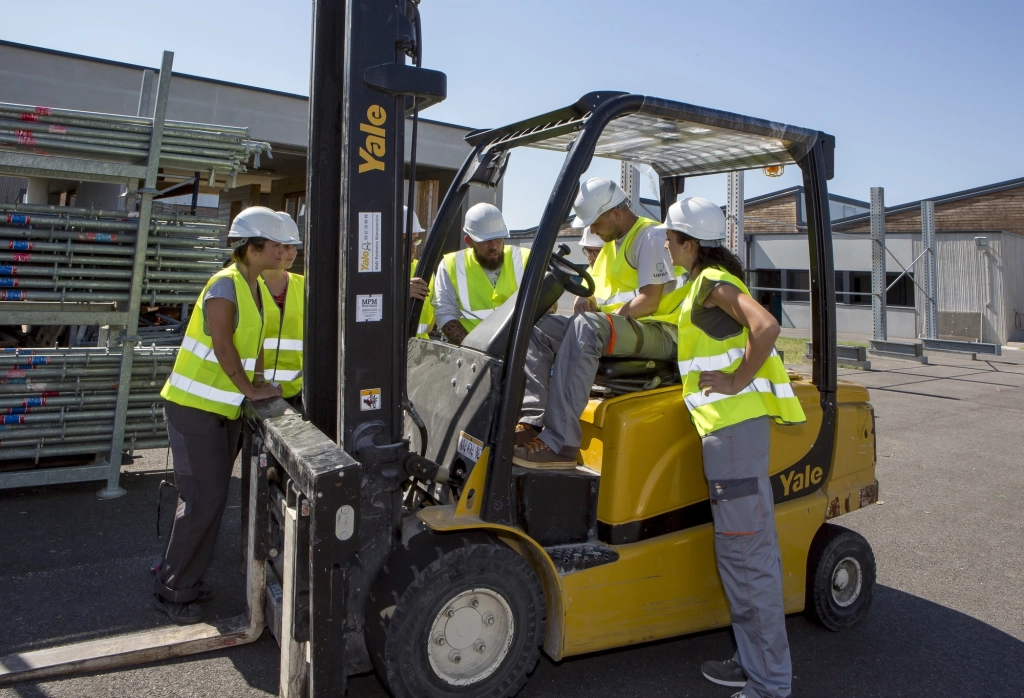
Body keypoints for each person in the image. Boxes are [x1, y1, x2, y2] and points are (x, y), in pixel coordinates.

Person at [662, 197, 806, 698]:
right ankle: (752, 662)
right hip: (728, 435)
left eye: (670, 237)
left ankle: (769, 684)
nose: (664, 244)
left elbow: (765, 326)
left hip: (735, 435)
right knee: (739, 557)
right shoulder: (697, 286)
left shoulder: (710, 284)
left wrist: (736, 377)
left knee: (747, 560)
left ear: (690, 243)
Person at [154, 206, 295, 624]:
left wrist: (258, 382)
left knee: (209, 500)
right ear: (252, 248)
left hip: (222, 409)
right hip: (194, 408)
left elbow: (252, 344)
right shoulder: (225, 284)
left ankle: (186, 578)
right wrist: (251, 388)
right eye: (275, 245)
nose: (283, 250)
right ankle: (174, 590)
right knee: (203, 499)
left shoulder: (253, 286)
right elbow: (222, 343)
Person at [512, 178, 686, 468]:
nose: (592, 230)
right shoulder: (612, 245)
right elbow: (609, 295)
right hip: (632, 326)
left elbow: (650, 301)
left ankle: (560, 443)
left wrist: (600, 316)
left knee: (587, 327)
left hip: (663, 331)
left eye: (595, 222)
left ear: (615, 213)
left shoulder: (650, 237)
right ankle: (532, 421)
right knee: (538, 326)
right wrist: (592, 302)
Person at [431, 202, 528, 345]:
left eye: (499, 238)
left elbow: (549, 304)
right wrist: (472, 350)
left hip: (520, 350)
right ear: (469, 241)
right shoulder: (450, 265)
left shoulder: (525, 258)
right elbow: (444, 312)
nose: (494, 246)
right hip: (473, 353)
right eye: (486, 241)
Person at [261, 212, 304, 408]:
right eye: (286, 246)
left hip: (293, 392)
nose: (292, 252)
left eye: (294, 246)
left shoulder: (304, 286)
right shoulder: (244, 285)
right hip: (249, 391)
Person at [405, 206, 435, 338]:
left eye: (415, 240)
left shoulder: (425, 272)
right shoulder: (374, 276)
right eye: (405, 241)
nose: (412, 248)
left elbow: (431, 324)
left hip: (422, 354)